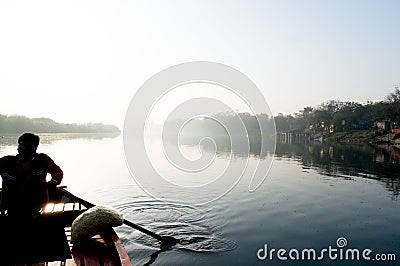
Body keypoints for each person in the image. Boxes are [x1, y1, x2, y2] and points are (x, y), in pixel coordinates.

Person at [0, 132, 63, 219]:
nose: (24, 149)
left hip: (37, 204)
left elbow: (57, 171)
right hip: (11, 205)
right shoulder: (6, 161)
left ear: (35, 148)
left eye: (28, 147)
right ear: (18, 147)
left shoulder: (42, 160)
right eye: (21, 146)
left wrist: (53, 182)